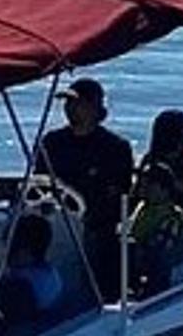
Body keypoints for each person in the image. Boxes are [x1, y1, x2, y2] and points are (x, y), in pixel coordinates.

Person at [38, 77, 134, 294]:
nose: (70, 109)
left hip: (95, 227)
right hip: (55, 220)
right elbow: (38, 183)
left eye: (77, 103)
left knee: (100, 244)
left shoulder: (114, 148)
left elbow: (118, 197)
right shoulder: (52, 143)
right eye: (68, 103)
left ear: (93, 107)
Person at [127, 162, 183, 296]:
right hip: (135, 263)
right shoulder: (142, 208)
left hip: (162, 271)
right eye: (143, 184)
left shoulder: (173, 215)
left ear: (165, 189)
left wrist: (136, 248)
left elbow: (162, 247)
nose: (144, 189)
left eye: (150, 185)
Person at [0, 214, 66, 326]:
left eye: (10, 248)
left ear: (25, 252)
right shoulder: (52, 274)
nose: (6, 255)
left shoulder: (21, 287)